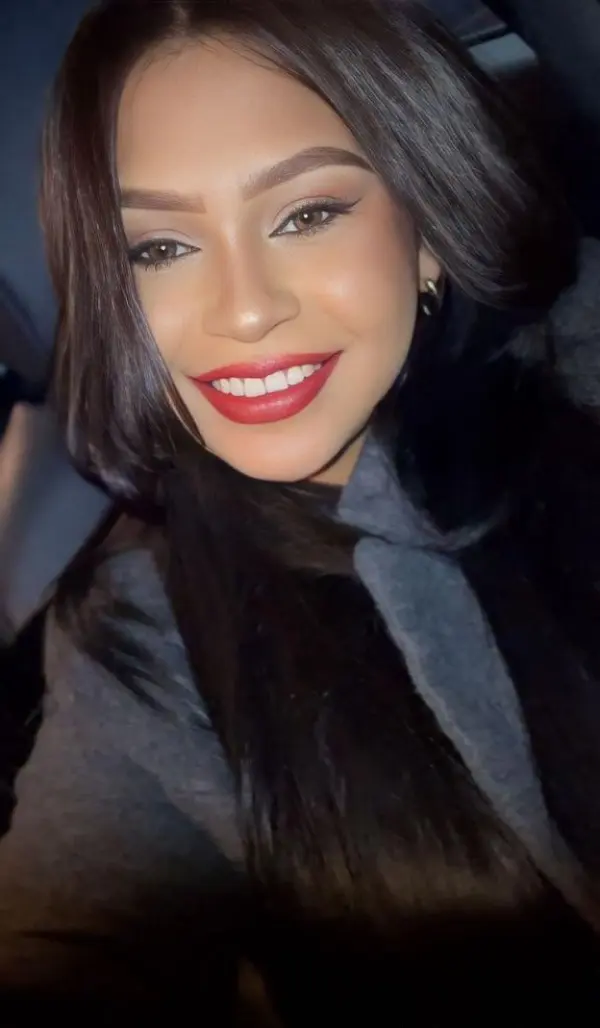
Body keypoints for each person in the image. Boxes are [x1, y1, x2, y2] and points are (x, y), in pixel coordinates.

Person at [1, 0, 600, 1020]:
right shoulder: (146, 627)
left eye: (307, 214)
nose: (243, 310)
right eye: (159, 248)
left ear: (427, 227)